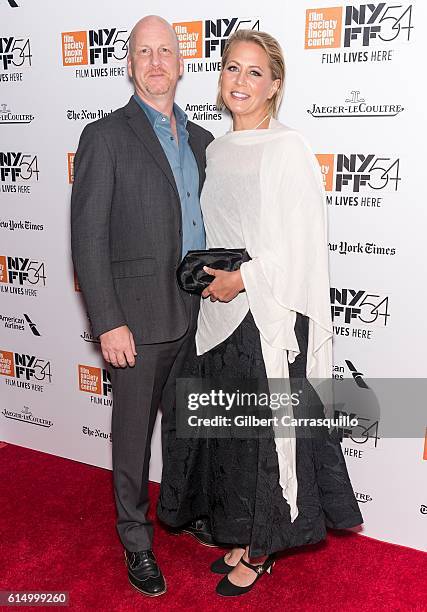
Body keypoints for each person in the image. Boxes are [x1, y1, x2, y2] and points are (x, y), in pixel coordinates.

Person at [158, 29, 363, 597]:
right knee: (233, 435)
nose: (241, 81)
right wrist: (213, 277)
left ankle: (262, 547)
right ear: (220, 80)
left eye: (255, 72)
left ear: (274, 85)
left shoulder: (288, 147)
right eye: (232, 69)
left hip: (270, 313)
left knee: (267, 437)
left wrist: (243, 278)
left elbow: (299, 241)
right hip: (222, 311)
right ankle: (238, 532)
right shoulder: (217, 150)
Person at [71, 15, 214, 598]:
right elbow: (87, 237)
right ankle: (135, 539)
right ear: (128, 64)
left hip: (199, 315)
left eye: (166, 52)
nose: (155, 62)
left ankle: (181, 512)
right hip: (134, 318)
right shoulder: (104, 137)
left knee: (187, 429)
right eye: (143, 52)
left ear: (181, 64)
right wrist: (107, 321)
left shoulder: (204, 141)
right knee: (132, 438)